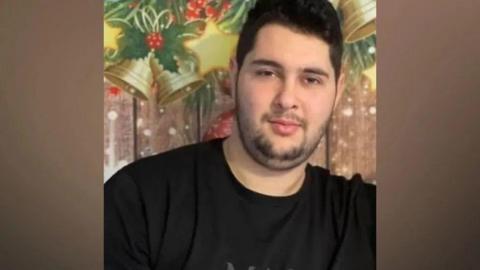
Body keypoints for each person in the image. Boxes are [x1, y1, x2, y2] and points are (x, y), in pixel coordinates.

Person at [104, 0, 376, 269]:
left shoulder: (367, 218)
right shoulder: (139, 201)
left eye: (311, 79)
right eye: (267, 73)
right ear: (234, 76)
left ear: (338, 91)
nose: (286, 99)